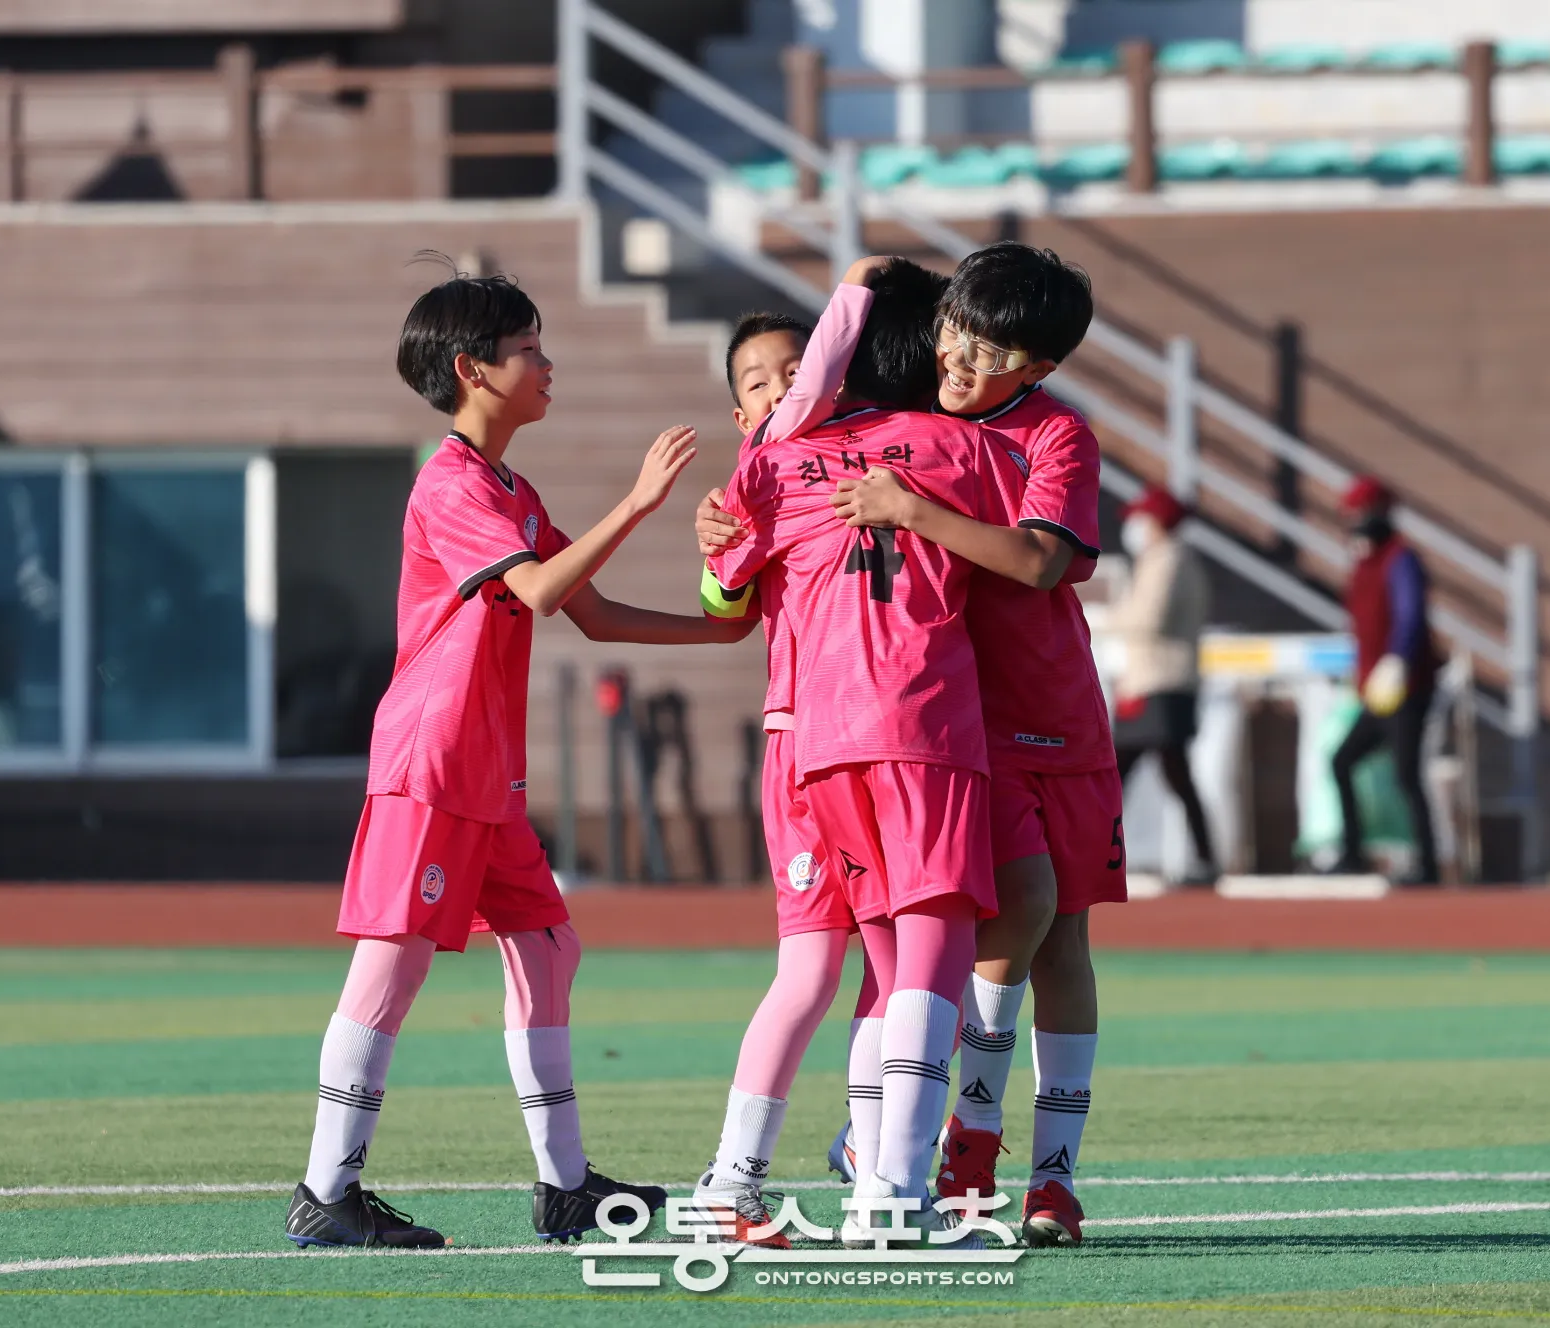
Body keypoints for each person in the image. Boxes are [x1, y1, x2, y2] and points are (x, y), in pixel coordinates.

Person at [285, 270, 755, 1250]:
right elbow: (541, 589)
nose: (547, 365)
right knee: (392, 964)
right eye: (528, 349)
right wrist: (638, 503)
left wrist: (721, 633)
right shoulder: (451, 482)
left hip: (484, 773)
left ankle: (566, 1185)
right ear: (472, 370)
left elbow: (592, 611)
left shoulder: (509, 488)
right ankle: (327, 1190)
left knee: (547, 947)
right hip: (432, 760)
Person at [707, 257, 1027, 1247]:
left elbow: (722, 581)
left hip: (817, 743)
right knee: (931, 953)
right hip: (921, 725)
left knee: (882, 964)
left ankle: (850, 1177)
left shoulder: (772, 460)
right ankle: (891, 1190)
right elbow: (1043, 557)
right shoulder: (963, 447)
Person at [820, 241, 1121, 1247]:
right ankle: (970, 1142)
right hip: (956, 725)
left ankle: (1054, 1178)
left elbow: (1040, 562)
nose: (959, 356)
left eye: (992, 352)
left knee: (1064, 937)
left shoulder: (1057, 434)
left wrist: (914, 510)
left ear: (1040, 367)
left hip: (1061, 715)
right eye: (956, 329)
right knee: (1010, 911)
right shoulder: (904, 415)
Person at [683, 286, 875, 1246]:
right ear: (739, 413)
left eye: (797, 371)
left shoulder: (878, 454)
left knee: (906, 960)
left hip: (889, 743)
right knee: (810, 972)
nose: (779, 389)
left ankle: (875, 1146)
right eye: (758, 382)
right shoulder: (761, 475)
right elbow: (723, 604)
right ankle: (733, 1179)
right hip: (803, 744)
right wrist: (716, 540)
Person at [1332, 474, 1440, 885]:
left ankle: (1428, 865)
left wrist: (1397, 659)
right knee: (1341, 761)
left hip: (1405, 688)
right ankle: (1352, 853)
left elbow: (1409, 614)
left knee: (1407, 774)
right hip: (1374, 691)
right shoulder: (1364, 563)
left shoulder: (1400, 559)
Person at [1111, 484, 1217, 884]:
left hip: (1157, 682)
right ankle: (1205, 857)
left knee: (1122, 775)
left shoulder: (1167, 560)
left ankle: (1094, 855)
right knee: (1170, 775)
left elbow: (1147, 619)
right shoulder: (1173, 559)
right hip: (1157, 681)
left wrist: (1104, 615)